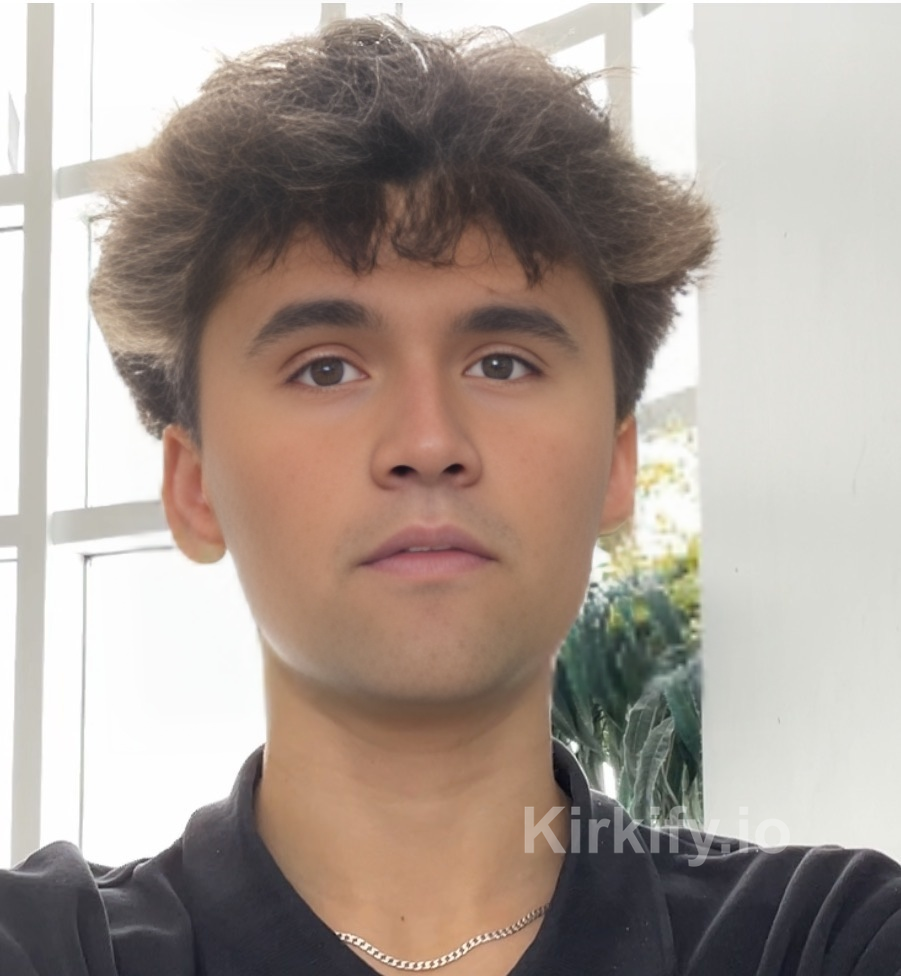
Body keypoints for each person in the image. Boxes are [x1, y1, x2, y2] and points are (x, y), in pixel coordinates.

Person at [3, 16, 900, 976]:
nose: (428, 444)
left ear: (615, 465)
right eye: (325, 369)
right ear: (194, 488)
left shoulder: (826, 940)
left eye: (502, 363)